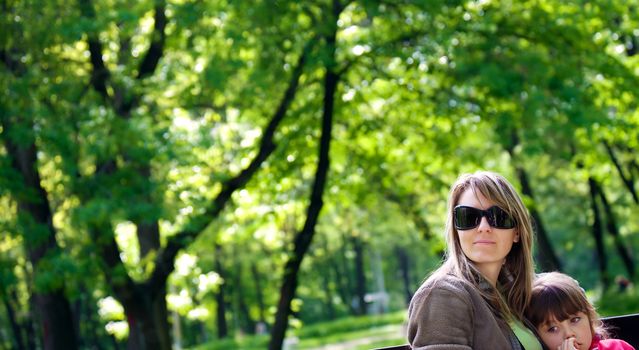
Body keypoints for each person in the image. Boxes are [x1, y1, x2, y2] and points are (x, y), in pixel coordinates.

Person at [408, 171, 544, 350]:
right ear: (456, 230)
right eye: (468, 217)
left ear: (517, 232)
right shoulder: (443, 295)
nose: (483, 227)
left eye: (498, 216)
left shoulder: (511, 295)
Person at [526, 272, 635, 350]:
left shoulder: (616, 347)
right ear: (538, 337)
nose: (569, 334)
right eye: (553, 329)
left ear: (589, 318)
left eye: (575, 320)